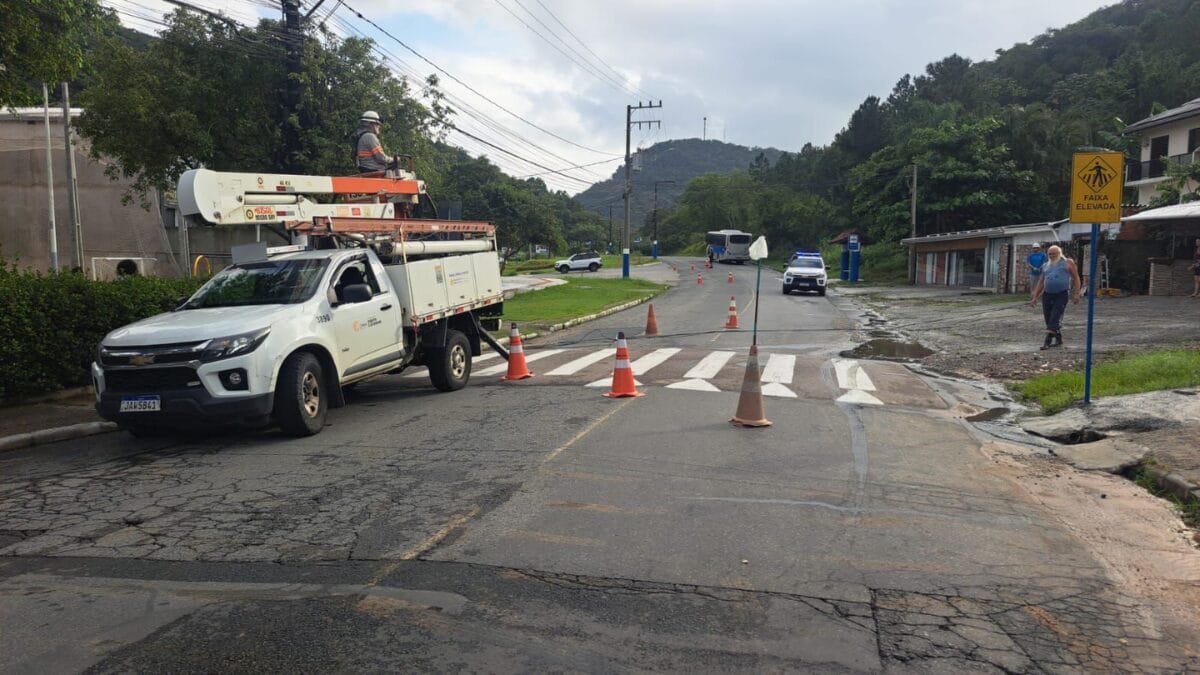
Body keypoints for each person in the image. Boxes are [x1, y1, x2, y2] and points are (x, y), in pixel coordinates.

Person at [1029, 245, 1082, 350]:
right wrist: (1035, 297)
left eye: (1054, 253)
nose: (1052, 255)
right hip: (1047, 294)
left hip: (1061, 294)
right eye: (1050, 254)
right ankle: (1058, 339)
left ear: (1059, 253)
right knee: (1048, 318)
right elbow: (1041, 283)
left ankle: (1047, 342)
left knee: (1055, 316)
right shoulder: (1045, 265)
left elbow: (1076, 278)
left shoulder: (1067, 262)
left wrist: (1077, 293)